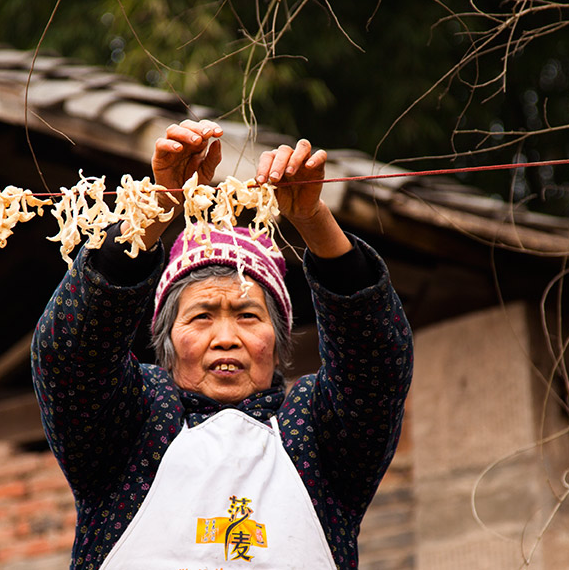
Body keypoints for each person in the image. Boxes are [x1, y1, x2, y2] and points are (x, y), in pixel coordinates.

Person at [32, 119, 414, 569]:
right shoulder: (131, 427)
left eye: (249, 315)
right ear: (167, 340)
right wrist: (159, 205)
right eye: (202, 316)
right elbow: (67, 355)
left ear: (277, 340)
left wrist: (312, 219)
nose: (226, 338)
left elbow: (378, 363)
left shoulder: (316, 437)